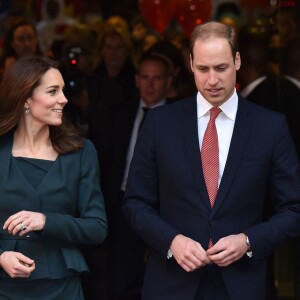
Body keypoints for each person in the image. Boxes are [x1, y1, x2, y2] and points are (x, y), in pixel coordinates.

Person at [122, 21, 300, 300]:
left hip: (243, 285)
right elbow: (135, 202)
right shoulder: (160, 123)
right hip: (172, 283)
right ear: (191, 64)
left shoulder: (270, 127)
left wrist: (248, 241)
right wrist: (171, 241)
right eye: (203, 69)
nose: (212, 80)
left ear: (237, 61)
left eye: (221, 68)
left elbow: (293, 209)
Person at [0, 55, 108, 299]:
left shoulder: (82, 152)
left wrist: (46, 221)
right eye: (53, 91)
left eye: (62, 90)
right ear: (26, 98)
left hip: (62, 287)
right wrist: (0, 256)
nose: (64, 99)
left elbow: (97, 228)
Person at [97, 53, 172, 300]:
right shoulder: (119, 114)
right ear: (137, 80)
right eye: (146, 78)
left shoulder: (182, 119)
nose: (150, 84)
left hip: (166, 209)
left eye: (157, 78)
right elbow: (105, 163)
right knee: (120, 278)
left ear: (168, 83)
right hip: (123, 203)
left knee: (163, 278)